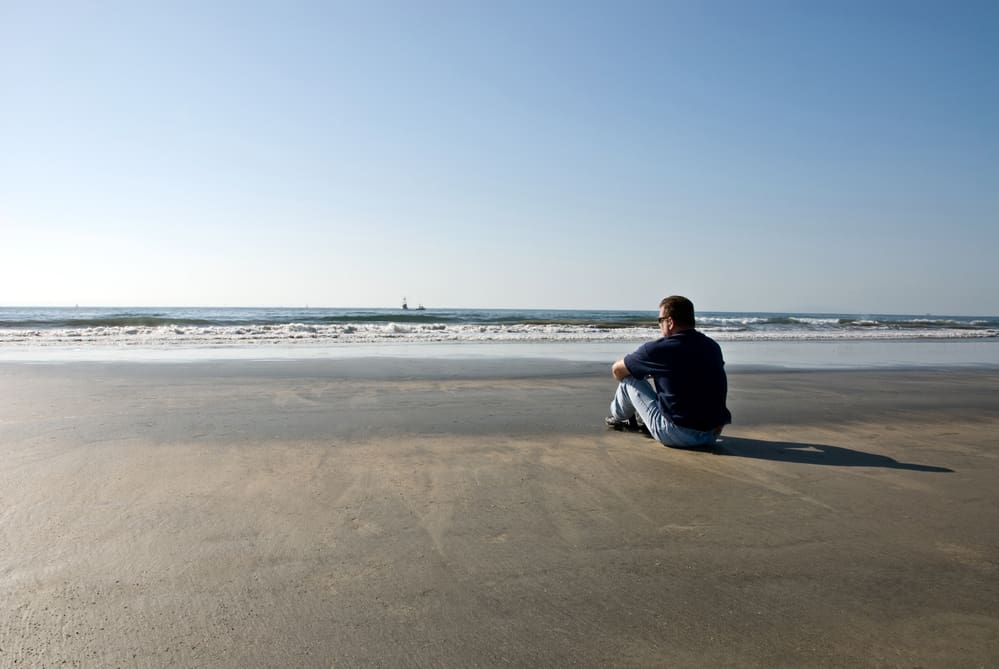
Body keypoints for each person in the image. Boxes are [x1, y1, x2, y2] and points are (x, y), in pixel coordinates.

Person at [607, 295, 731, 448]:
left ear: (670, 322)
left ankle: (617, 416)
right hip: (712, 434)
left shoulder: (658, 349)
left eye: (660, 320)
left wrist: (637, 370)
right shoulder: (712, 347)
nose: (659, 325)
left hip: (675, 434)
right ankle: (640, 417)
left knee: (629, 379)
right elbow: (717, 383)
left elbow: (617, 370)